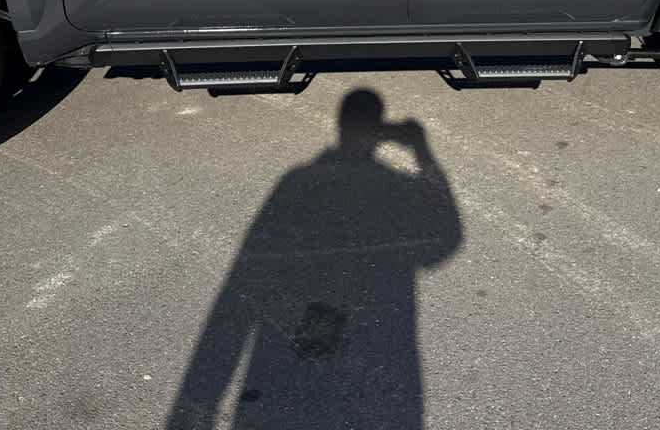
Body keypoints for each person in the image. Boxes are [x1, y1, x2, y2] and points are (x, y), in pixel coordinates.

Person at [166, 89, 462, 429]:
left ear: (340, 126)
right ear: (380, 132)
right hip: (380, 364)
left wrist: (196, 408)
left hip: (282, 366)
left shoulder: (297, 181)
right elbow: (446, 238)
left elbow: (245, 275)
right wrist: (422, 152)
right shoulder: (398, 188)